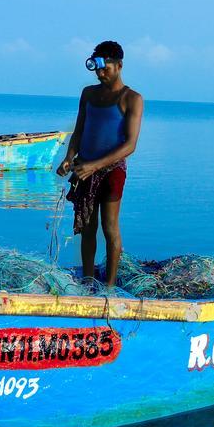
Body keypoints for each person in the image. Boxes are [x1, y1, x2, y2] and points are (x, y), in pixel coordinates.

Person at [56, 40, 144, 288]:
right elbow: (80, 129)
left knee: (109, 227)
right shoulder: (89, 94)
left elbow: (129, 145)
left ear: (119, 65)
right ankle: (87, 280)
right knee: (87, 227)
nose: (101, 73)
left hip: (111, 171)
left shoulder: (132, 98)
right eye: (97, 68)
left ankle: (109, 286)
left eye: (106, 68)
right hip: (84, 168)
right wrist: (68, 158)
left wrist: (95, 166)